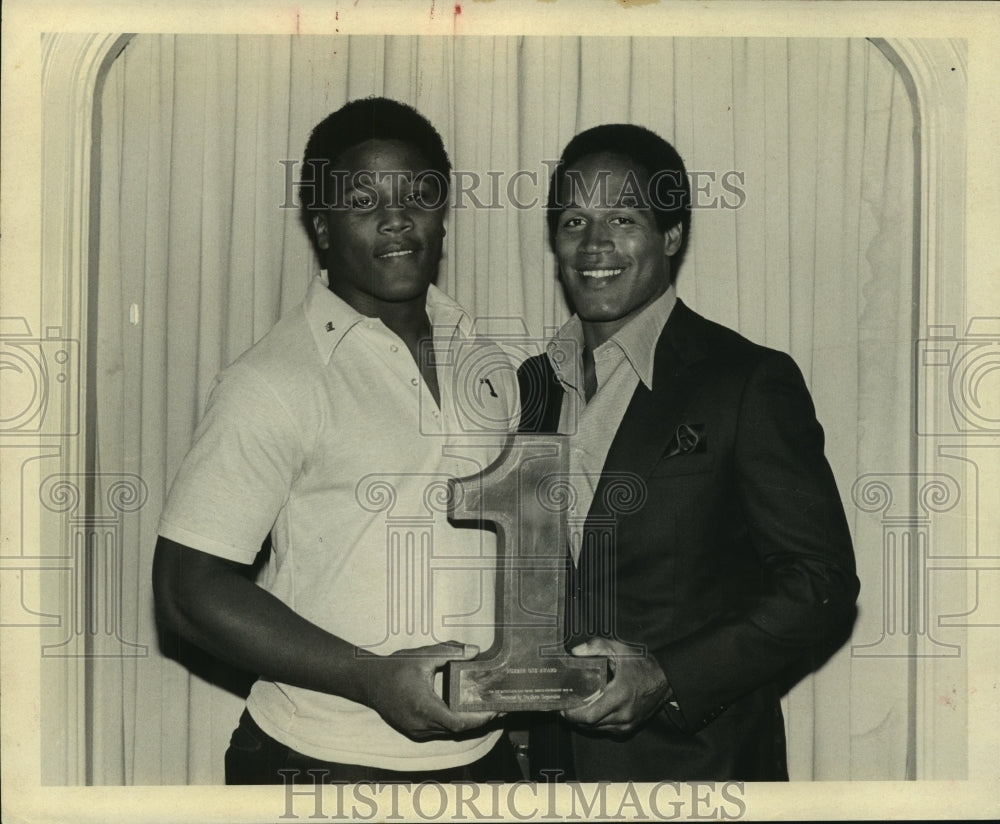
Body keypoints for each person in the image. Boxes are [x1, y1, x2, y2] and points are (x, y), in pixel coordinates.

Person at [152, 97, 522, 784]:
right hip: (319, 760)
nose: (396, 219)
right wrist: (372, 678)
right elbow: (185, 591)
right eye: (362, 200)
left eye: (418, 194)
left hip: (482, 758)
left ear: (443, 213)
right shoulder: (271, 379)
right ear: (320, 227)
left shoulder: (491, 361)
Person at [517, 124, 860, 782]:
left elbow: (820, 584)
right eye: (573, 221)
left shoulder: (746, 381)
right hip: (552, 778)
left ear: (670, 236)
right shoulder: (528, 386)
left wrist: (667, 677)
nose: (594, 245)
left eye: (623, 217)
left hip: (704, 769)